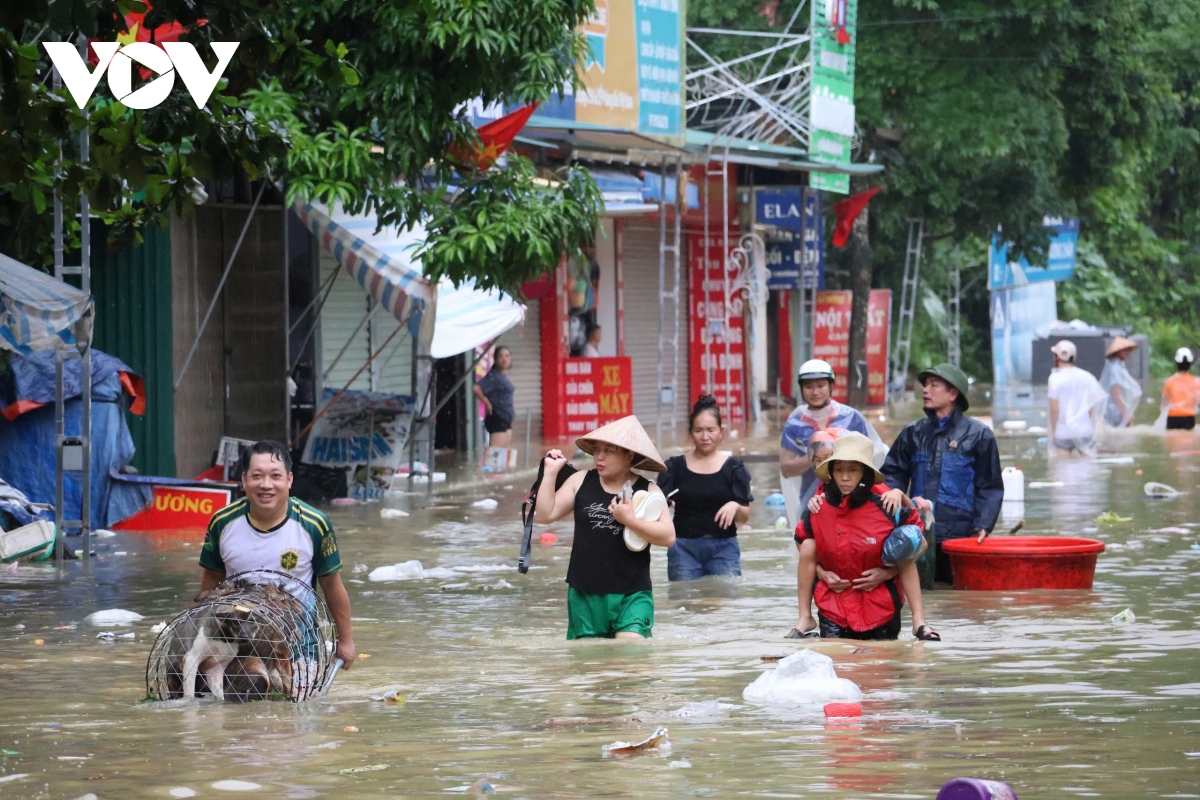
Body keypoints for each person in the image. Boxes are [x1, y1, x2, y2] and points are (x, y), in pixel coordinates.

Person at [199, 440, 355, 669]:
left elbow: (332, 585)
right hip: (237, 643)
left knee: (295, 704)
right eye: (257, 476)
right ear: (243, 480)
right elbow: (211, 581)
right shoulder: (222, 522)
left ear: (289, 480)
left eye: (275, 476)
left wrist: (346, 641)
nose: (266, 485)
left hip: (298, 646)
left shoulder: (314, 524)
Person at [534, 415, 675, 639]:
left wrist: (629, 520)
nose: (599, 456)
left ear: (629, 456)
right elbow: (544, 515)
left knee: (630, 657)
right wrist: (550, 473)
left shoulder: (648, 490)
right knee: (591, 666)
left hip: (632, 593)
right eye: (597, 449)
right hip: (585, 593)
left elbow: (668, 536)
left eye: (609, 450)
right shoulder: (580, 481)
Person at [794, 432, 933, 641]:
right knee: (835, 663)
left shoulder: (887, 507)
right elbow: (801, 544)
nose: (845, 477)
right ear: (831, 472)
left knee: (878, 667)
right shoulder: (818, 509)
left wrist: (888, 573)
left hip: (880, 609)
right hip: (834, 609)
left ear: (865, 473)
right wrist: (822, 574)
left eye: (853, 470)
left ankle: (919, 621)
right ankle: (804, 617)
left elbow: (920, 543)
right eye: (839, 470)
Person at [881, 363, 1003, 585]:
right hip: (918, 533)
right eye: (925, 384)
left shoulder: (979, 435)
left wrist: (983, 526)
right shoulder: (912, 433)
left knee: (957, 601)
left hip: (960, 538)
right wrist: (895, 497)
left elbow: (990, 487)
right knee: (922, 594)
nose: (925, 390)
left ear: (953, 394)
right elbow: (892, 475)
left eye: (933, 385)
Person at [655, 395, 753, 581]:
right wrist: (663, 504)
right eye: (699, 430)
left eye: (710, 430)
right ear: (691, 432)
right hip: (683, 548)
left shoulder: (734, 469)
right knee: (686, 604)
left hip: (724, 548)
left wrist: (735, 505)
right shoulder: (674, 468)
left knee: (725, 605)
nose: (705, 436)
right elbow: (655, 505)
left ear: (721, 431)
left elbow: (744, 515)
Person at [779, 359, 885, 530]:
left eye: (820, 385)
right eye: (808, 387)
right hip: (812, 502)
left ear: (830, 386)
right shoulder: (795, 423)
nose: (815, 392)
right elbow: (786, 469)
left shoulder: (851, 417)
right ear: (801, 389)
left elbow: (869, 459)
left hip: (852, 500)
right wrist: (817, 454)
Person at [1047, 340, 1106, 456]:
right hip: (1084, 430)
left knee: (1062, 470)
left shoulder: (1054, 379)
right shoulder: (1087, 376)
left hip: (1063, 432)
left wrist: (1053, 431)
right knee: (1087, 469)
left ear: (1056, 357)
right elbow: (1091, 407)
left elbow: (1054, 409)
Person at [474, 345, 514, 449]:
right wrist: (486, 402)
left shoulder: (502, 376)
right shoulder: (493, 375)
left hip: (506, 418)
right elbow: (476, 388)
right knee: (494, 455)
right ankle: (482, 465)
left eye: (507, 356)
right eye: (501, 356)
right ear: (495, 359)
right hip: (497, 417)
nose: (504, 359)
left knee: (502, 456)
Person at [1100, 337, 1142, 428]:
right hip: (1114, 411)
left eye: (1128, 350)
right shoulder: (1115, 368)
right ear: (1118, 351)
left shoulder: (1116, 365)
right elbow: (1116, 394)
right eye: (1125, 350)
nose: (1128, 353)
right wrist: (1125, 413)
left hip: (1113, 409)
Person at [1162, 347, 1200, 430]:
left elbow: (1164, 404)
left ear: (1176, 364)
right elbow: (1198, 402)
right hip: (1188, 418)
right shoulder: (1196, 381)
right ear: (1190, 365)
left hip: (1172, 417)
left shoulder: (1169, 381)